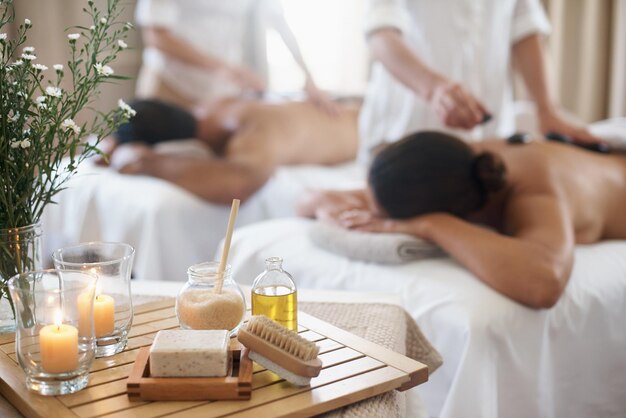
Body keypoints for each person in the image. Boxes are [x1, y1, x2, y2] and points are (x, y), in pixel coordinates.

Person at [297, 131, 626, 308]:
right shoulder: (457, 163)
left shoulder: (534, 192)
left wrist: (430, 225)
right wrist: (326, 204)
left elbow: (544, 283)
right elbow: (308, 199)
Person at [358, 0, 602, 162]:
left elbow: (525, 27)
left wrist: (547, 110)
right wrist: (434, 89)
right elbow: (381, 31)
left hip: (489, 141)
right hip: (403, 137)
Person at [100, 98, 358, 204]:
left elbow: (240, 183)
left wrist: (149, 163)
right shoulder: (212, 107)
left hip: (368, 128)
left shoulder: (248, 130)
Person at [134, 0, 337, 114]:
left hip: (221, 94)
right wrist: (223, 68)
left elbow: (278, 19)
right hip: (169, 86)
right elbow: (156, 35)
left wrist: (308, 77)